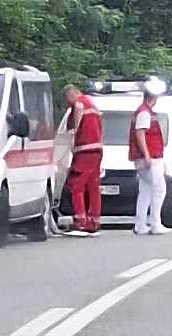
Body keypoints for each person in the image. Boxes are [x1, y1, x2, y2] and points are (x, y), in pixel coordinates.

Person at [128, 79, 171, 235]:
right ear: (154, 97)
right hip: (150, 157)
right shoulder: (145, 112)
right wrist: (146, 155)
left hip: (146, 157)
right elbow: (140, 134)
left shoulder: (143, 111)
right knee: (159, 189)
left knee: (146, 190)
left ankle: (140, 224)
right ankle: (155, 223)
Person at [62, 84, 103, 236]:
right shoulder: (93, 106)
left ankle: (80, 221)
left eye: (68, 100)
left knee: (76, 186)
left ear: (72, 95)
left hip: (84, 150)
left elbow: (74, 128)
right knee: (93, 186)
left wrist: (72, 143)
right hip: (97, 150)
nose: (68, 104)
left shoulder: (79, 104)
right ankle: (94, 221)